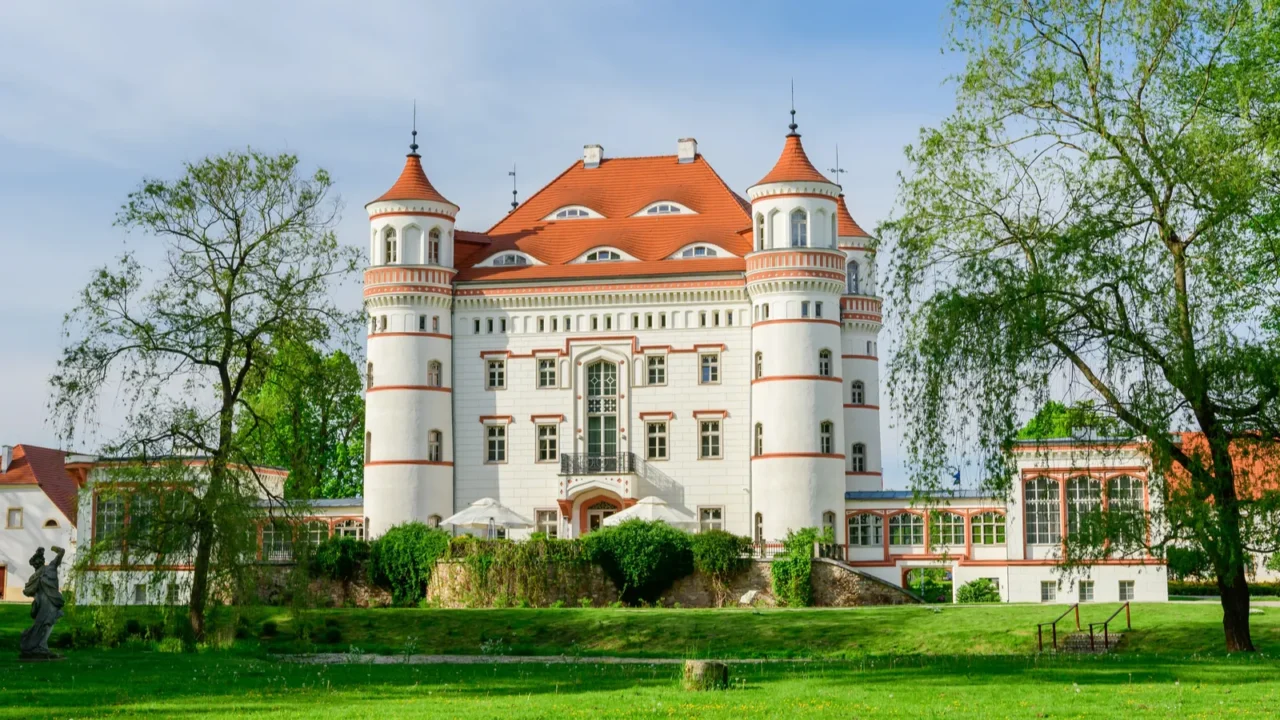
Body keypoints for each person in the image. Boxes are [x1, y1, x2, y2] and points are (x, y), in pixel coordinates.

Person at [19, 546, 66, 659]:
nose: (36, 565)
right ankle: (37, 646)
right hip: (43, 603)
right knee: (43, 624)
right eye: (35, 563)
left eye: (37, 562)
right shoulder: (36, 576)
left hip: (51, 601)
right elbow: (28, 590)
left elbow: (61, 554)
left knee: (48, 623)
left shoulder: (49, 568)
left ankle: (40, 646)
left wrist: (57, 550)